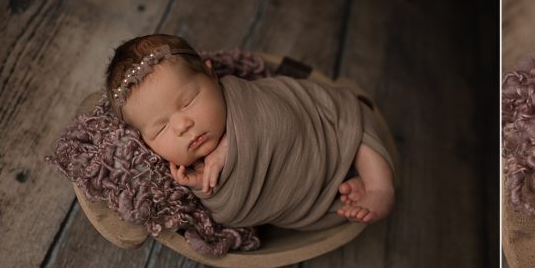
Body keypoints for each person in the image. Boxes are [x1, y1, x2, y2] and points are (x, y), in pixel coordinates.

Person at [106, 34, 395, 225]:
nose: (182, 125)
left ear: (211, 74)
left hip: (322, 126)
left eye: (189, 101)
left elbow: (284, 122)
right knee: (335, 204)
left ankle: (380, 186)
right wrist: (203, 188)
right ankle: (345, 184)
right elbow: (234, 213)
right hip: (309, 196)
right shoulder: (191, 172)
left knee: (357, 124)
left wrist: (229, 146)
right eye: (161, 128)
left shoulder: (246, 99)